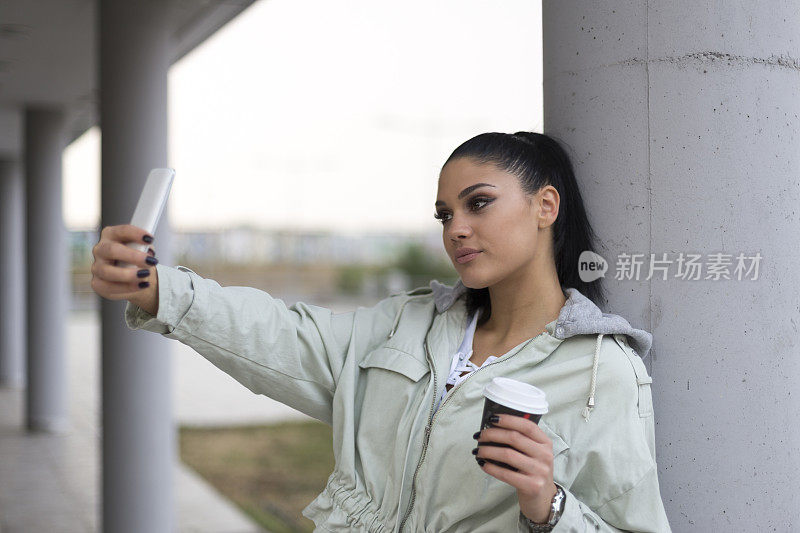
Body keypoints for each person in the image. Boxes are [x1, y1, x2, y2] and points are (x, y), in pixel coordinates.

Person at [91, 131, 672, 532]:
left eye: (479, 204)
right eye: (446, 215)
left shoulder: (602, 371)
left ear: (546, 206)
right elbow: (284, 336)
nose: (457, 230)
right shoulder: (407, 324)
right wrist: (156, 286)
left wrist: (547, 505)